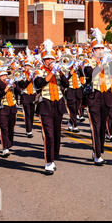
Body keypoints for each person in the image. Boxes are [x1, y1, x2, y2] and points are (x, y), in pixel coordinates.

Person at [33, 40, 69, 175]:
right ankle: (48, 162)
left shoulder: (58, 70)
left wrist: (59, 72)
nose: (49, 61)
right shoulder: (38, 70)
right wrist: (51, 72)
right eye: (47, 59)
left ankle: (54, 156)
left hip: (58, 103)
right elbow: (39, 84)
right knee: (48, 134)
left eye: (51, 59)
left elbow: (66, 84)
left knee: (57, 133)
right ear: (43, 60)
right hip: (45, 104)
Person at [83, 29, 112, 165]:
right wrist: (102, 64)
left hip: (106, 95)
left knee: (102, 126)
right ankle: (97, 154)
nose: (100, 50)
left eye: (102, 48)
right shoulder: (87, 61)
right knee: (95, 125)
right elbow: (90, 73)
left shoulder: (107, 61)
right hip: (94, 96)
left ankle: (98, 149)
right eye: (98, 48)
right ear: (93, 50)